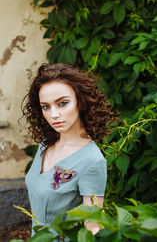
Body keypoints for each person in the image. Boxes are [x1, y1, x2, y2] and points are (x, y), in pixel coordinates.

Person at [22, 63, 115, 240]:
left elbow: (93, 226)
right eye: (46, 107)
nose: (54, 114)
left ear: (81, 101)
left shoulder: (92, 161)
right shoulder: (45, 145)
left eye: (62, 103)